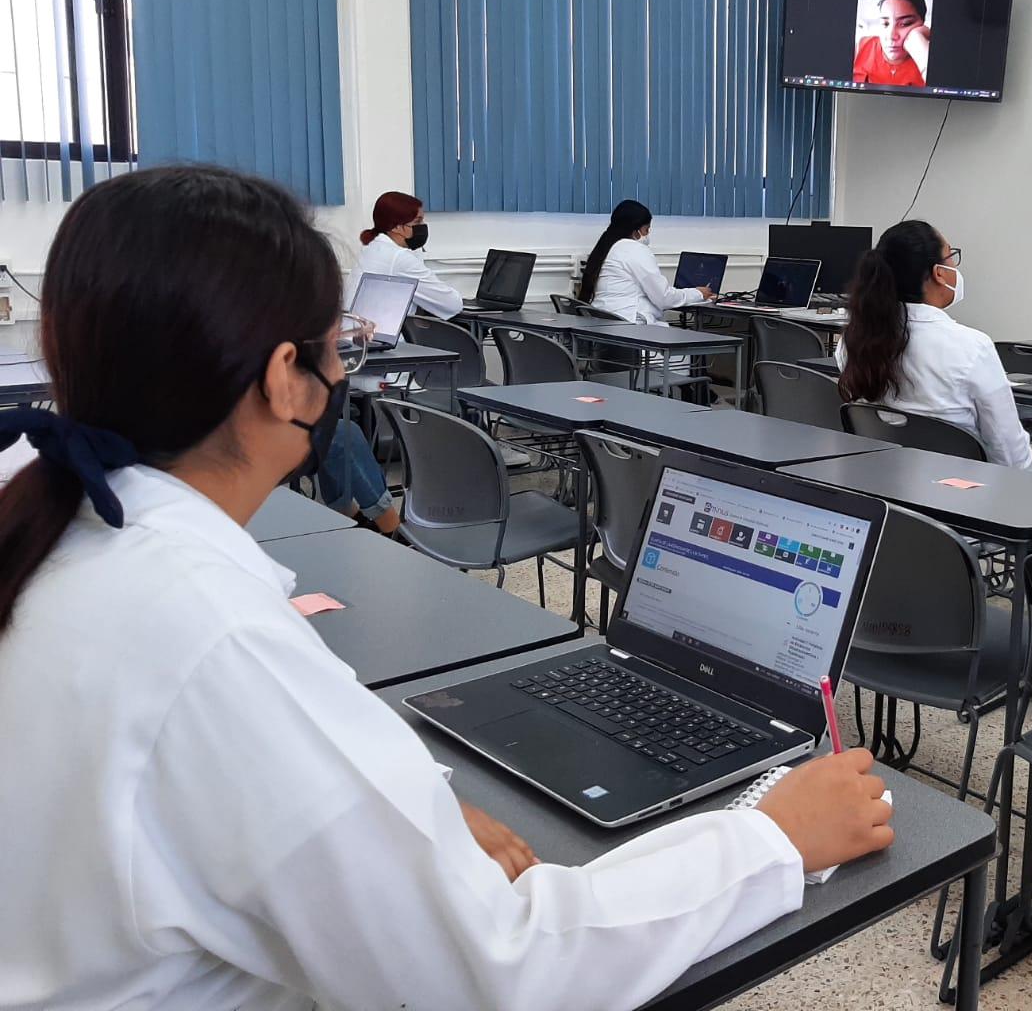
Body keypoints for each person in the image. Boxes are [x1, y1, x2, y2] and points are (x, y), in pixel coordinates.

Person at [0, 166, 893, 1010]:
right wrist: (772, 840)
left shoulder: (47, 515)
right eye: (337, 346)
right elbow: (504, 971)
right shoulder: (210, 639)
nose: (344, 368)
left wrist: (389, 806)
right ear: (284, 380)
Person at [838, 220, 1032, 470]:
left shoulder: (852, 341)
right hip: (965, 486)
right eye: (951, 256)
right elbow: (1012, 459)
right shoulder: (972, 347)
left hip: (884, 478)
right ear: (939, 273)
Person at [579, 198, 714, 324]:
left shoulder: (608, 249)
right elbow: (664, 297)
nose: (648, 234)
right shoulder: (634, 249)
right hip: (630, 324)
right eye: (646, 229)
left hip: (604, 323)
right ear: (635, 230)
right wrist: (697, 293)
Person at [354, 190, 464, 320]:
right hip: (381, 331)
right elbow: (452, 304)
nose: (423, 226)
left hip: (358, 329)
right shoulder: (398, 258)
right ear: (396, 227)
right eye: (417, 222)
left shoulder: (372, 248)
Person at [852, 0, 930, 88]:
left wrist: (919, 43)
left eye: (905, 23)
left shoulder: (927, 54)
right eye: (885, 24)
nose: (891, 36)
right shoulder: (862, 46)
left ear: (922, 24)